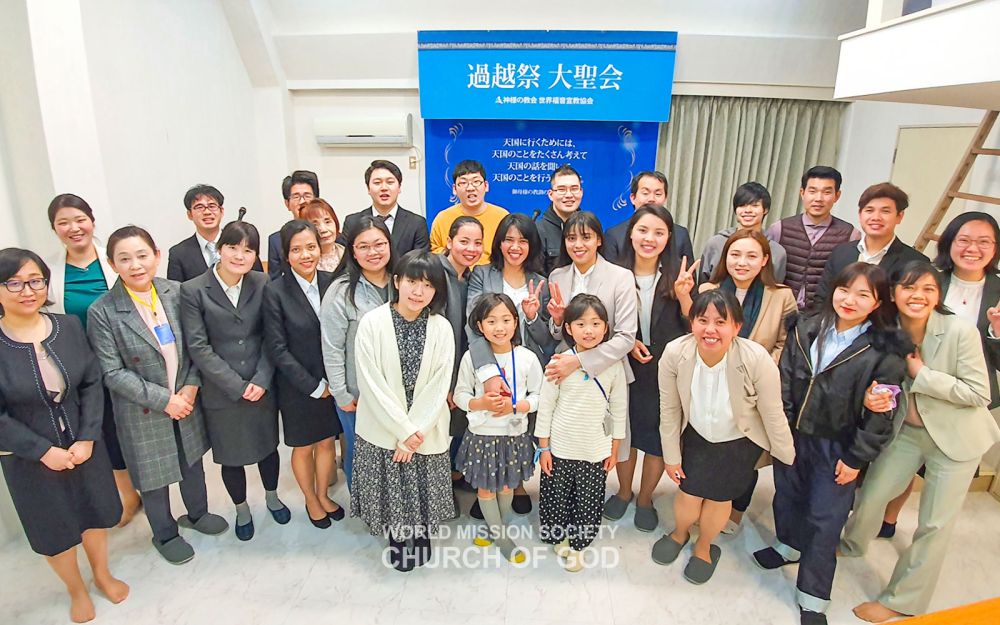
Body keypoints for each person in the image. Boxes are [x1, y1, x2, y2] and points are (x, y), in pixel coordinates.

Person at [840, 261, 1000, 622]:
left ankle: (902, 600)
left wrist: (921, 374)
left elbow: (978, 393)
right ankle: (850, 544)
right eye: (909, 288)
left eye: (928, 288)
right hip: (906, 432)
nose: (919, 296)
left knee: (934, 524)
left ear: (938, 295)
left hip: (955, 439)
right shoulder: (884, 330)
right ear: (893, 294)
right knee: (872, 494)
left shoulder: (958, 330)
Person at [753, 263, 910, 625]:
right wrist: (783, 432)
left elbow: (881, 413)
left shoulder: (885, 349)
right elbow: (786, 379)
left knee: (825, 520)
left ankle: (813, 596)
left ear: (877, 302)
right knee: (787, 496)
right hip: (794, 435)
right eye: (844, 290)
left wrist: (857, 458)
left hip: (839, 445)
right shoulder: (805, 328)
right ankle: (788, 545)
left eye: (862, 294)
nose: (849, 300)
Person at [0, 248, 128, 623]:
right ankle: (75, 590)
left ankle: (102, 574)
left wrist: (88, 438)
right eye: (14, 282)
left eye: (36, 280)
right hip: (28, 456)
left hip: (83, 445)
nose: (28, 290)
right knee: (54, 527)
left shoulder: (67, 326)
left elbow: (91, 382)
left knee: (94, 512)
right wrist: (42, 451)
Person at [87, 227, 228, 565]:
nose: (136, 265)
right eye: (124, 259)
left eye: (142, 255)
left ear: (157, 255)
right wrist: (165, 400)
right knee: (154, 476)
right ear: (112, 264)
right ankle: (164, 532)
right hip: (143, 408)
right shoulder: (103, 311)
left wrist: (190, 387)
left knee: (191, 462)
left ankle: (197, 513)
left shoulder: (176, 292)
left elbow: (197, 345)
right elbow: (112, 373)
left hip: (186, 396)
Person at [653, 289, 795, 584]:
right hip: (696, 437)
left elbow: (772, 412)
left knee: (719, 499)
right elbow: (668, 409)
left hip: (738, 443)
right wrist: (671, 456)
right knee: (688, 494)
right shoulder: (675, 353)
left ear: (737, 327)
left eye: (721, 322)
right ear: (691, 322)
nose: (710, 329)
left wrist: (788, 458)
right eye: (702, 320)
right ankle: (679, 533)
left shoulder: (756, 358)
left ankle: (704, 546)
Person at [876, 211, 1000, 537]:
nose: (973, 248)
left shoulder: (998, 291)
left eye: (984, 242)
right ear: (949, 243)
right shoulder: (929, 279)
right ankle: (888, 520)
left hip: (961, 395)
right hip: (910, 392)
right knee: (900, 465)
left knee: (939, 491)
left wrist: (997, 334)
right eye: (964, 240)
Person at [180, 220, 288, 541]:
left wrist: (261, 379)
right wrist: (237, 386)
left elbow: (272, 336)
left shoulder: (262, 281)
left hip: (261, 384)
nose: (239, 256)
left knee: (267, 448)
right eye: (232, 247)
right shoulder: (194, 289)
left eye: (248, 250)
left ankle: (272, 496)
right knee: (231, 456)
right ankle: (241, 508)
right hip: (222, 392)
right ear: (219, 248)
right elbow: (198, 346)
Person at [350, 250, 456, 572]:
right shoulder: (372, 323)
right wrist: (403, 431)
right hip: (384, 427)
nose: (418, 291)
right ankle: (398, 538)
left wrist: (414, 432)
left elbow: (439, 386)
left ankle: (421, 535)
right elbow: (371, 384)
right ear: (397, 281)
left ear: (436, 291)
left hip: (426, 427)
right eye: (411, 281)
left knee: (422, 487)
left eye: (427, 285)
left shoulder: (441, 328)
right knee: (393, 489)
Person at [45, 193, 141, 526]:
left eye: (79, 219)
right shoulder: (51, 273)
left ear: (92, 220)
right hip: (80, 368)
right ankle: (126, 495)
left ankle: (150, 490)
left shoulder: (113, 262)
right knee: (103, 431)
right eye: (63, 223)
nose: (74, 228)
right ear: (55, 229)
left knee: (132, 426)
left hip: (126, 360)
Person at [699, 229, 797, 532]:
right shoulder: (709, 288)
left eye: (752, 255)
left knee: (745, 457)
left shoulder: (781, 296)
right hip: (711, 385)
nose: (742, 262)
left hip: (753, 389)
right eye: (735, 254)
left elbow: (784, 344)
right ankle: (705, 502)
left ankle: (736, 512)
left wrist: (761, 374)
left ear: (765, 259)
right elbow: (698, 334)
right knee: (708, 450)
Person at [602, 205, 693, 532]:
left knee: (657, 437)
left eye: (659, 232)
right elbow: (603, 321)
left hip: (665, 372)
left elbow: (697, 326)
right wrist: (626, 344)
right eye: (643, 231)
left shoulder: (678, 278)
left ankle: (645, 498)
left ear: (669, 238)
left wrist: (684, 296)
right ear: (631, 234)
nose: (649, 238)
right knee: (624, 435)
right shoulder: (613, 274)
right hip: (623, 367)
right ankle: (624, 492)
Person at [545, 211, 644, 472]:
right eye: (571, 238)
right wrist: (556, 321)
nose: (578, 245)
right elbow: (558, 334)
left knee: (607, 437)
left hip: (607, 368)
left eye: (586, 237)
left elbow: (625, 337)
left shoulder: (620, 277)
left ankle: (620, 492)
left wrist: (578, 361)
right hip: (564, 371)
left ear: (599, 240)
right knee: (566, 435)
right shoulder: (557, 276)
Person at [536, 294, 627, 572]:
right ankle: (558, 535)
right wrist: (544, 448)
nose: (589, 331)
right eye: (581, 323)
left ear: (605, 328)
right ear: (568, 328)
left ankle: (579, 545)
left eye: (596, 323)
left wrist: (614, 450)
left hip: (595, 449)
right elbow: (546, 407)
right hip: (561, 448)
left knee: (588, 501)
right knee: (556, 496)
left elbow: (620, 409)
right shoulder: (560, 362)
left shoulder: (613, 364)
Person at [263, 220, 344, 528]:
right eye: (296, 249)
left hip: (332, 381)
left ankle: (323, 494)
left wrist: (333, 382)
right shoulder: (275, 291)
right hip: (298, 386)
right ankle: (310, 500)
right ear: (286, 254)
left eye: (311, 247)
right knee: (304, 445)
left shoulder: (331, 281)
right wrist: (313, 386)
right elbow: (277, 349)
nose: (306, 255)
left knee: (326, 442)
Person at [453, 293, 543, 564]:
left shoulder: (527, 358)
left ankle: (496, 528)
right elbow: (459, 395)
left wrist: (517, 407)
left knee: (506, 486)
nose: (499, 327)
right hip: (482, 437)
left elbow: (540, 396)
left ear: (516, 323)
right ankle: (502, 538)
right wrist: (479, 402)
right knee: (485, 489)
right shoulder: (472, 358)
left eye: (506, 320)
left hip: (513, 436)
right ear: (480, 326)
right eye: (491, 321)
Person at [320, 216, 395, 489]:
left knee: (394, 451)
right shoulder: (341, 291)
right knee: (361, 453)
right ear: (352, 250)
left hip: (398, 392)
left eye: (379, 244)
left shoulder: (403, 284)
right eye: (364, 246)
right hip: (358, 395)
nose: (373, 252)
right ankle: (366, 507)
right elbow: (331, 347)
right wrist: (341, 394)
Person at [433, 216, 483, 507]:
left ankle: (454, 476)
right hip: (440, 374)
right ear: (449, 242)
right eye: (464, 241)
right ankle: (438, 496)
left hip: (463, 371)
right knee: (437, 436)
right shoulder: (435, 273)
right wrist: (448, 384)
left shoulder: (470, 276)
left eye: (477, 243)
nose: (471, 248)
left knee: (457, 430)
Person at [813, 182, 926, 306]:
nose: (876, 217)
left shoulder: (915, 262)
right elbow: (822, 299)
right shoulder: (840, 253)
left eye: (885, 211)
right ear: (860, 215)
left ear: (899, 216)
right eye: (869, 210)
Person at [766, 166, 860, 310]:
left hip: (822, 313)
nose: (818, 198)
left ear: (837, 196)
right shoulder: (779, 228)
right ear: (802, 193)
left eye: (827, 192)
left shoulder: (850, 234)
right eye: (812, 191)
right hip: (780, 309)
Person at [167, 184, 263, 282]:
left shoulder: (242, 243)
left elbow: (258, 281)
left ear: (221, 211)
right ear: (190, 214)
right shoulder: (178, 254)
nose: (207, 212)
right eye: (199, 207)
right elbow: (176, 292)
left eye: (212, 206)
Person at [698, 181, 787, 283]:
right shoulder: (716, 243)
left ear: (765, 209)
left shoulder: (777, 251)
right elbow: (703, 283)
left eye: (754, 205)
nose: (748, 210)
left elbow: (775, 288)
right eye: (742, 205)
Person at [600, 171, 694, 266]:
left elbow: (689, 277)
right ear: (633, 198)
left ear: (665, 199)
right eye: (645, 193)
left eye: (658, 194)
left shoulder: (681, 234)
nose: (651, 199)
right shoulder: (613, 234)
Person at [340, 160, 429, 256]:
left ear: (399, 187)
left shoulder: (417, 223)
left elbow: (420, 264)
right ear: (368, 189)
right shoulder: (353, 222)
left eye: (390, 182)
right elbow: (347, 260)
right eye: (377, 183)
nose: (384, 188)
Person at [429, 160, 508, 264]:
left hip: (491, 276)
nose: (470, 188)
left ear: (486, 186)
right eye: (463, 183)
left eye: (476, 182)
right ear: (454, 189)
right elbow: (433, 250)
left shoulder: (502, 216)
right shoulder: (443, 218)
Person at [267, 170, 319, 279]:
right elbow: (274, 281)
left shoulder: (327, 234)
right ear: (287, 204)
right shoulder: (276, 240)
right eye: (296, 197)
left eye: (307, 196)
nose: (302, 201)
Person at [535, 165, 585, 275]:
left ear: (581, 192)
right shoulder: (537, 230)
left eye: (574, 189)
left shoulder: (589, 228)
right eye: (561, 190)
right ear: (551, 195)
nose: (569, 195)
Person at [298, 198, 345, 272]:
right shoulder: (303, 261)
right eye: (315, 225)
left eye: (327, 222)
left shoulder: (349, 255)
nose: (323, 230)